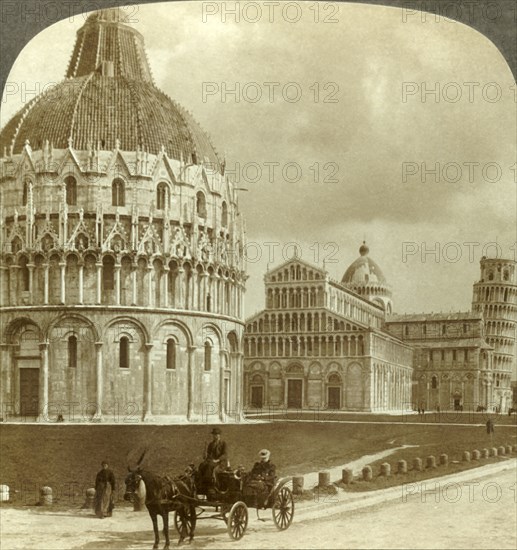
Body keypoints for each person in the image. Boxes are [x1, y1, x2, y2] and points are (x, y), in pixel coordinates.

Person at [198, 428, 228, 494]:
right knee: (202, 465)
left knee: (209, 466)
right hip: (212, 461)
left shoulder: (223, 443)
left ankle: (210, 485)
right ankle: (201, 483)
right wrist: (207, 457)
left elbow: (225, 454)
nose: (215, 436)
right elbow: (209, 455)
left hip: (221, 463)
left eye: (216, 435)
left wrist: (217, 460)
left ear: (219, 435)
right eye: (214, 435)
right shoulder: (211, 444)